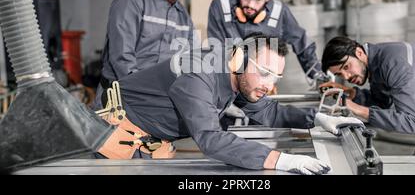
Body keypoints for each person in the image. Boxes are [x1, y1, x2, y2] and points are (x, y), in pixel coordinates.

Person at [102, 34, 363, 174]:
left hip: (152, 143)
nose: (269, 84)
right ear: (238, 59)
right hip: (119, 140)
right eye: (264, 72)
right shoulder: (198, 72)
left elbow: (269, 110)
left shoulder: (236, 78)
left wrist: (318, 119)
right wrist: (281, 160)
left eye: (275, 77)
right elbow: (211, 140)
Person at [94, 0, 203, 108]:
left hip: (154, 103)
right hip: (117, 99)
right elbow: (122, 57)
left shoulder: (184, 18)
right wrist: (144, 94)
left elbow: (191, 62)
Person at [320, 37, 415, 155]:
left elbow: (412, 123)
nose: (346, 77)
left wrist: (356, 108)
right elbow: (382, 102)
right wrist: (351, 93)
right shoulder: (376, 62)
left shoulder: (395, 63)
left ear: (359, 52)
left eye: (347, 67)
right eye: (340, 75)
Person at [207, 0, 325, 84]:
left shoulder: (279, 12)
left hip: (262, 85)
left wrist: (317, 75)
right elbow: (217, 49)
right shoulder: (221, 6)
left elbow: (302, 43)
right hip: (228, 82)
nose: (250, 5)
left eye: (258, 0)